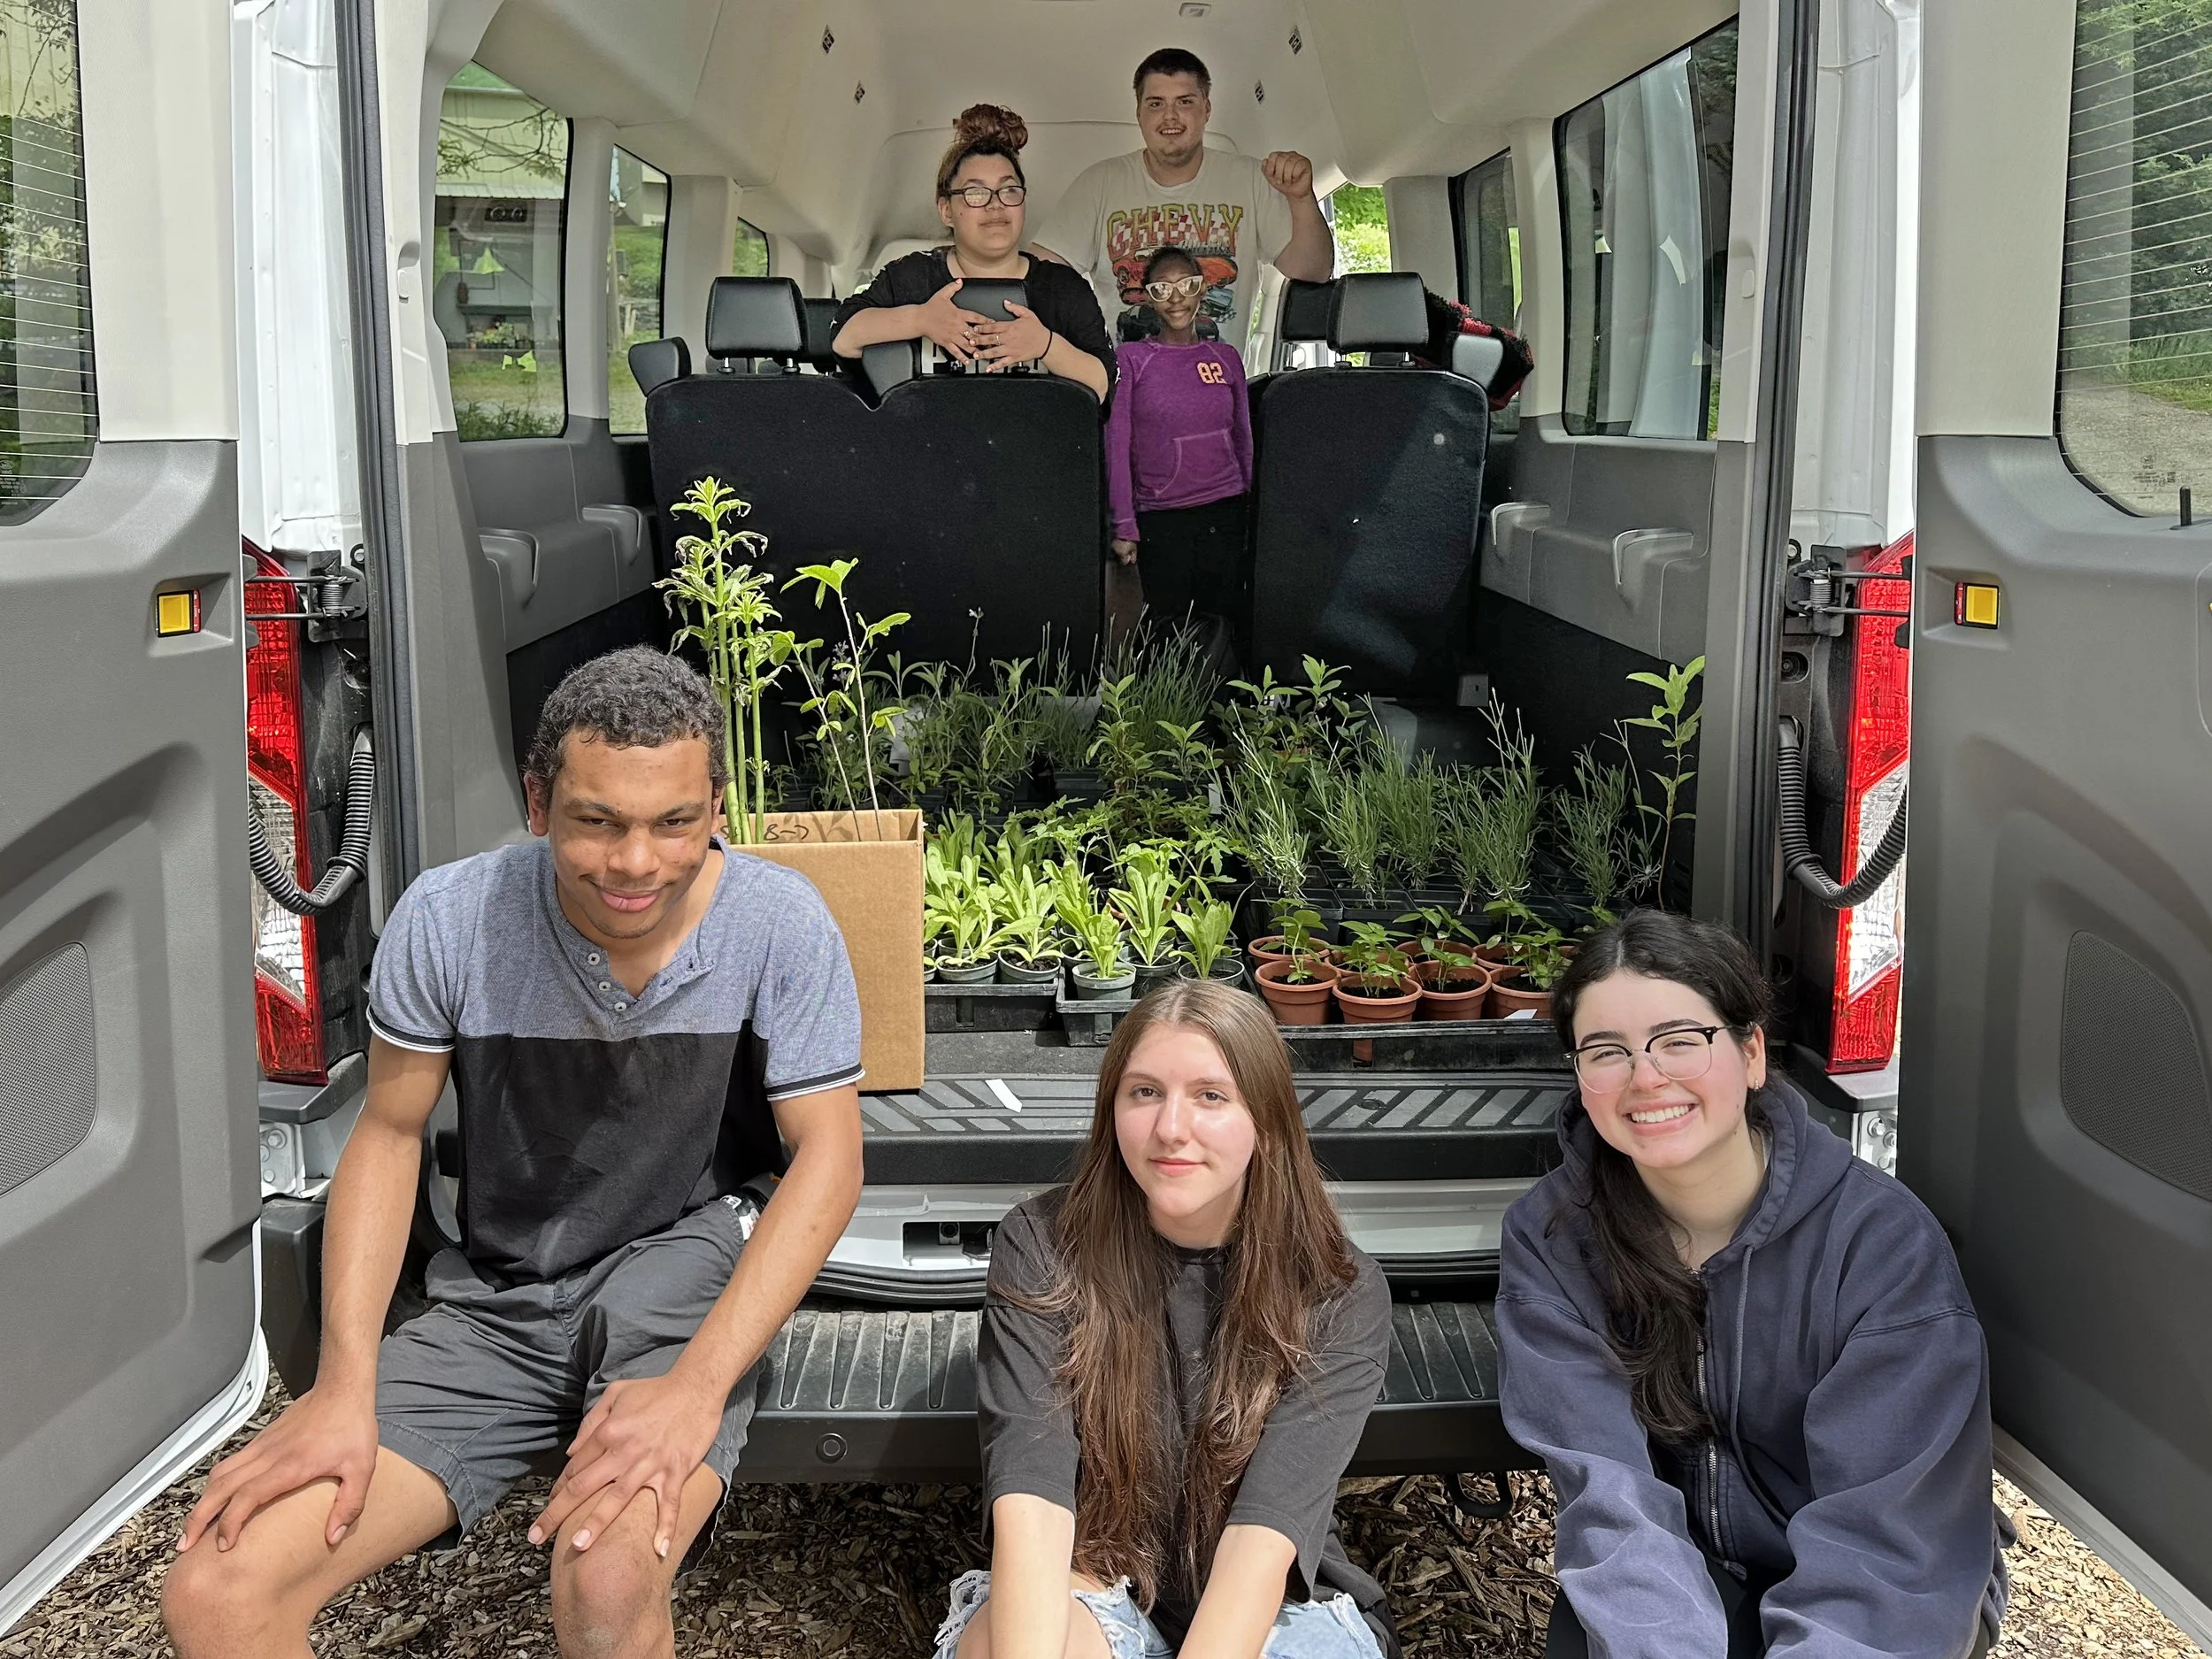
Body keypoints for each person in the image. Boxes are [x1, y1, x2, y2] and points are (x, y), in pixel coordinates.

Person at [162, 648, 868, 1659]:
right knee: (218, 1592)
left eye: (674, 822)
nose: (636, 862)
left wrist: (697, 1389)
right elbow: (389, 1134)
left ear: (718, 807)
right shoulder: (452, 919)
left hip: (681, 1281)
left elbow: (829, 1162)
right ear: (537, 804)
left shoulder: (780, 925)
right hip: (499, 1296)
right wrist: (343, 1386)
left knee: (607, 1586)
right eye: (598, 822)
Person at [1497, 910, 2009, 1659]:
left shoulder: (1879, 1245)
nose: (1646, 1076)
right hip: (1686, 1565)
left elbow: (1892, 1547)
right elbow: (1611, 1498)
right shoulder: (1554, 1238)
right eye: (1606, 1051)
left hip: (1886, 1591)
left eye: (1680, 1039)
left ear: (1751, 1053)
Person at [941, 981, 1396, 1659]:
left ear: (1265, 1119)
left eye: (1210, 1095)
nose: (1171, 1127)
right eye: (1145, 1091)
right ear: (1112, 1107)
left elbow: (1260, 1544)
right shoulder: (1042, 1243)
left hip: (1273, 1607)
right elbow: (1031, 1498)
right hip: (1096, 1576)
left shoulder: (1335, 1288)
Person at [1034, 48, 1333, 365]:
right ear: (1139, 114)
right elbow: (1040, 278)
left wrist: (1301, 199)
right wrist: (1086, 350)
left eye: (1185, 102)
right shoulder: (1099, 184)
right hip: (1128, 386)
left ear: (1206, 109)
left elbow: (1313, 271)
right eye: (1156, 103)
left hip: (1220, 386)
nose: (1170, 117)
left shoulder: (1250, 179)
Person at [833, 104, 1114, 403]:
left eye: (1009, 190)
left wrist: (1045, 345)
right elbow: (843, 339)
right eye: (975, 193)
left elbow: (1102, 386)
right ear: (946, 210)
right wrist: (921, 319)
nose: (996, 204)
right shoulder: (910, 277)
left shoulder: (1065, 288)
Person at [1105, 243, 1255, 655]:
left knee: (1222, 624)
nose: (1176, 298)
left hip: (1225, 511)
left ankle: (1223, 698)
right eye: (1162, 289)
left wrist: (1251, 509)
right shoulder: (1131, 359)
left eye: (1186, 286)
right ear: (1148, 298)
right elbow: (1117, 443)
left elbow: (1243, 437)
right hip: (1161, 516)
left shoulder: (1225, 358)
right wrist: (1124, 525)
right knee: (1165, 627)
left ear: (1202, 289)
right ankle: (1158, 696)